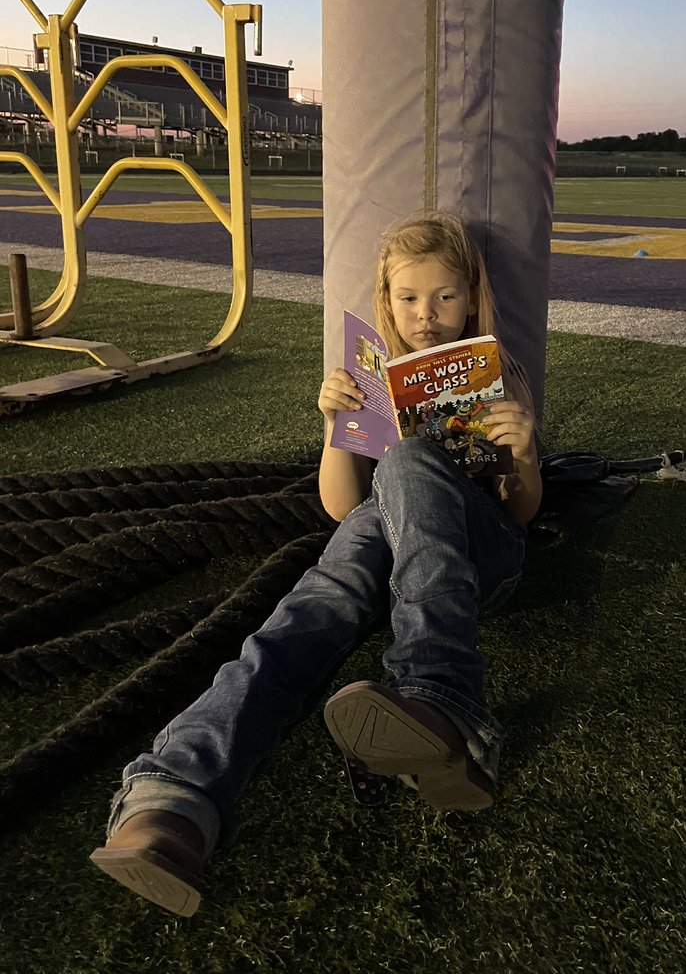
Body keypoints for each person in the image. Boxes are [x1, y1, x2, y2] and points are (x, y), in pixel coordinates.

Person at [89, 210, 543, 917]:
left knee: (408, 460)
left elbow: (518, 514)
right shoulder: (370, 378)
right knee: (320, 597)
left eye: (446, 296)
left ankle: (441, 687)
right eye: (409, 298)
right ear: (386, 301)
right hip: (387, 548)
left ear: (472, 296)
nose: (427, 315)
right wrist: (337, 430)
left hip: (480, 557)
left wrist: (523, 454)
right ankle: (176, 799)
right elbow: (338, 506)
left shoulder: (500, 374)